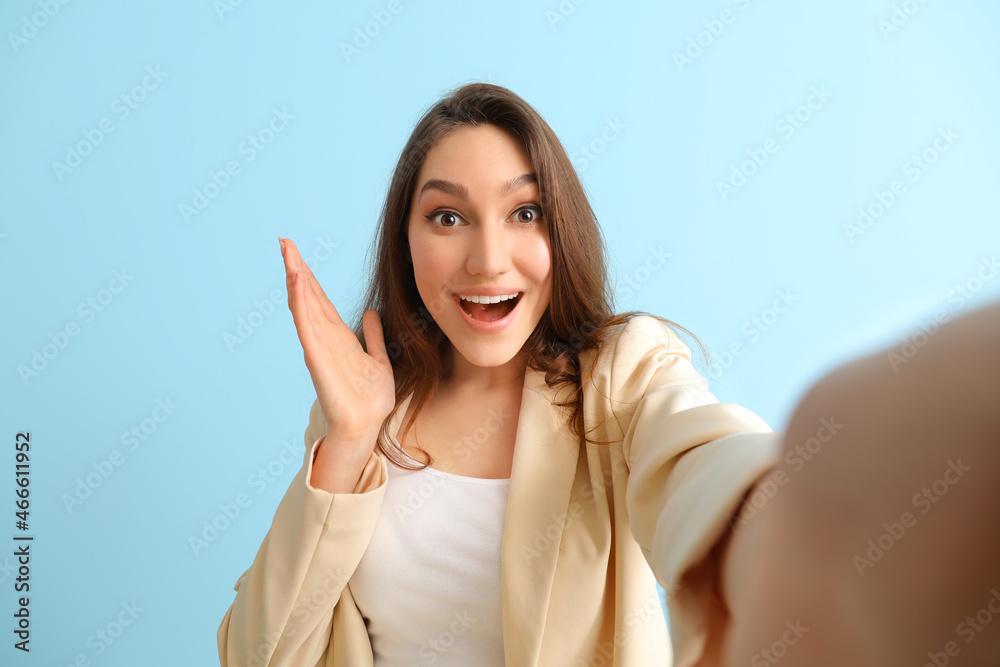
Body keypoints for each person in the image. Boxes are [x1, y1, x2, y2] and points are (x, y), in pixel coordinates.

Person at [217, 82, 1000, 666]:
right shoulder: (361, 412)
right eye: (448, 215)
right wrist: (350, 440)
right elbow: (257, 653)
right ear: (406, 239)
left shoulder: (618, 374)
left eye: (525, 212)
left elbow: (699, 457)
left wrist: (793, 517)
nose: (489, 258)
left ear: (563, 228)